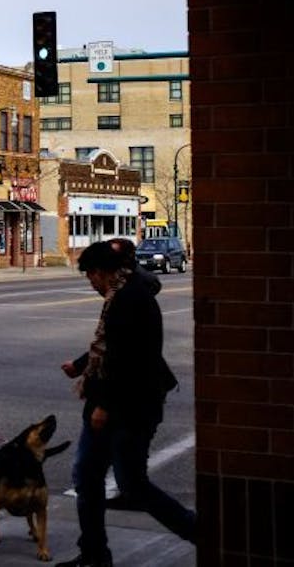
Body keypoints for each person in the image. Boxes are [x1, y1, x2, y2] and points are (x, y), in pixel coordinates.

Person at [55, 239, 195, 567]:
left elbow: (132, 358)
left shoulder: (130, 298)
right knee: (88, 476)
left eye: (90, 275)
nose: (90, 283)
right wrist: (80, 364)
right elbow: (111, 344)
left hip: (130, 408)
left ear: (103, 272)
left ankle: (197, 531)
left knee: (132, 484)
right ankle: (93, 554)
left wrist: (105, 403)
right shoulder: (122, 293)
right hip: (117, 403)